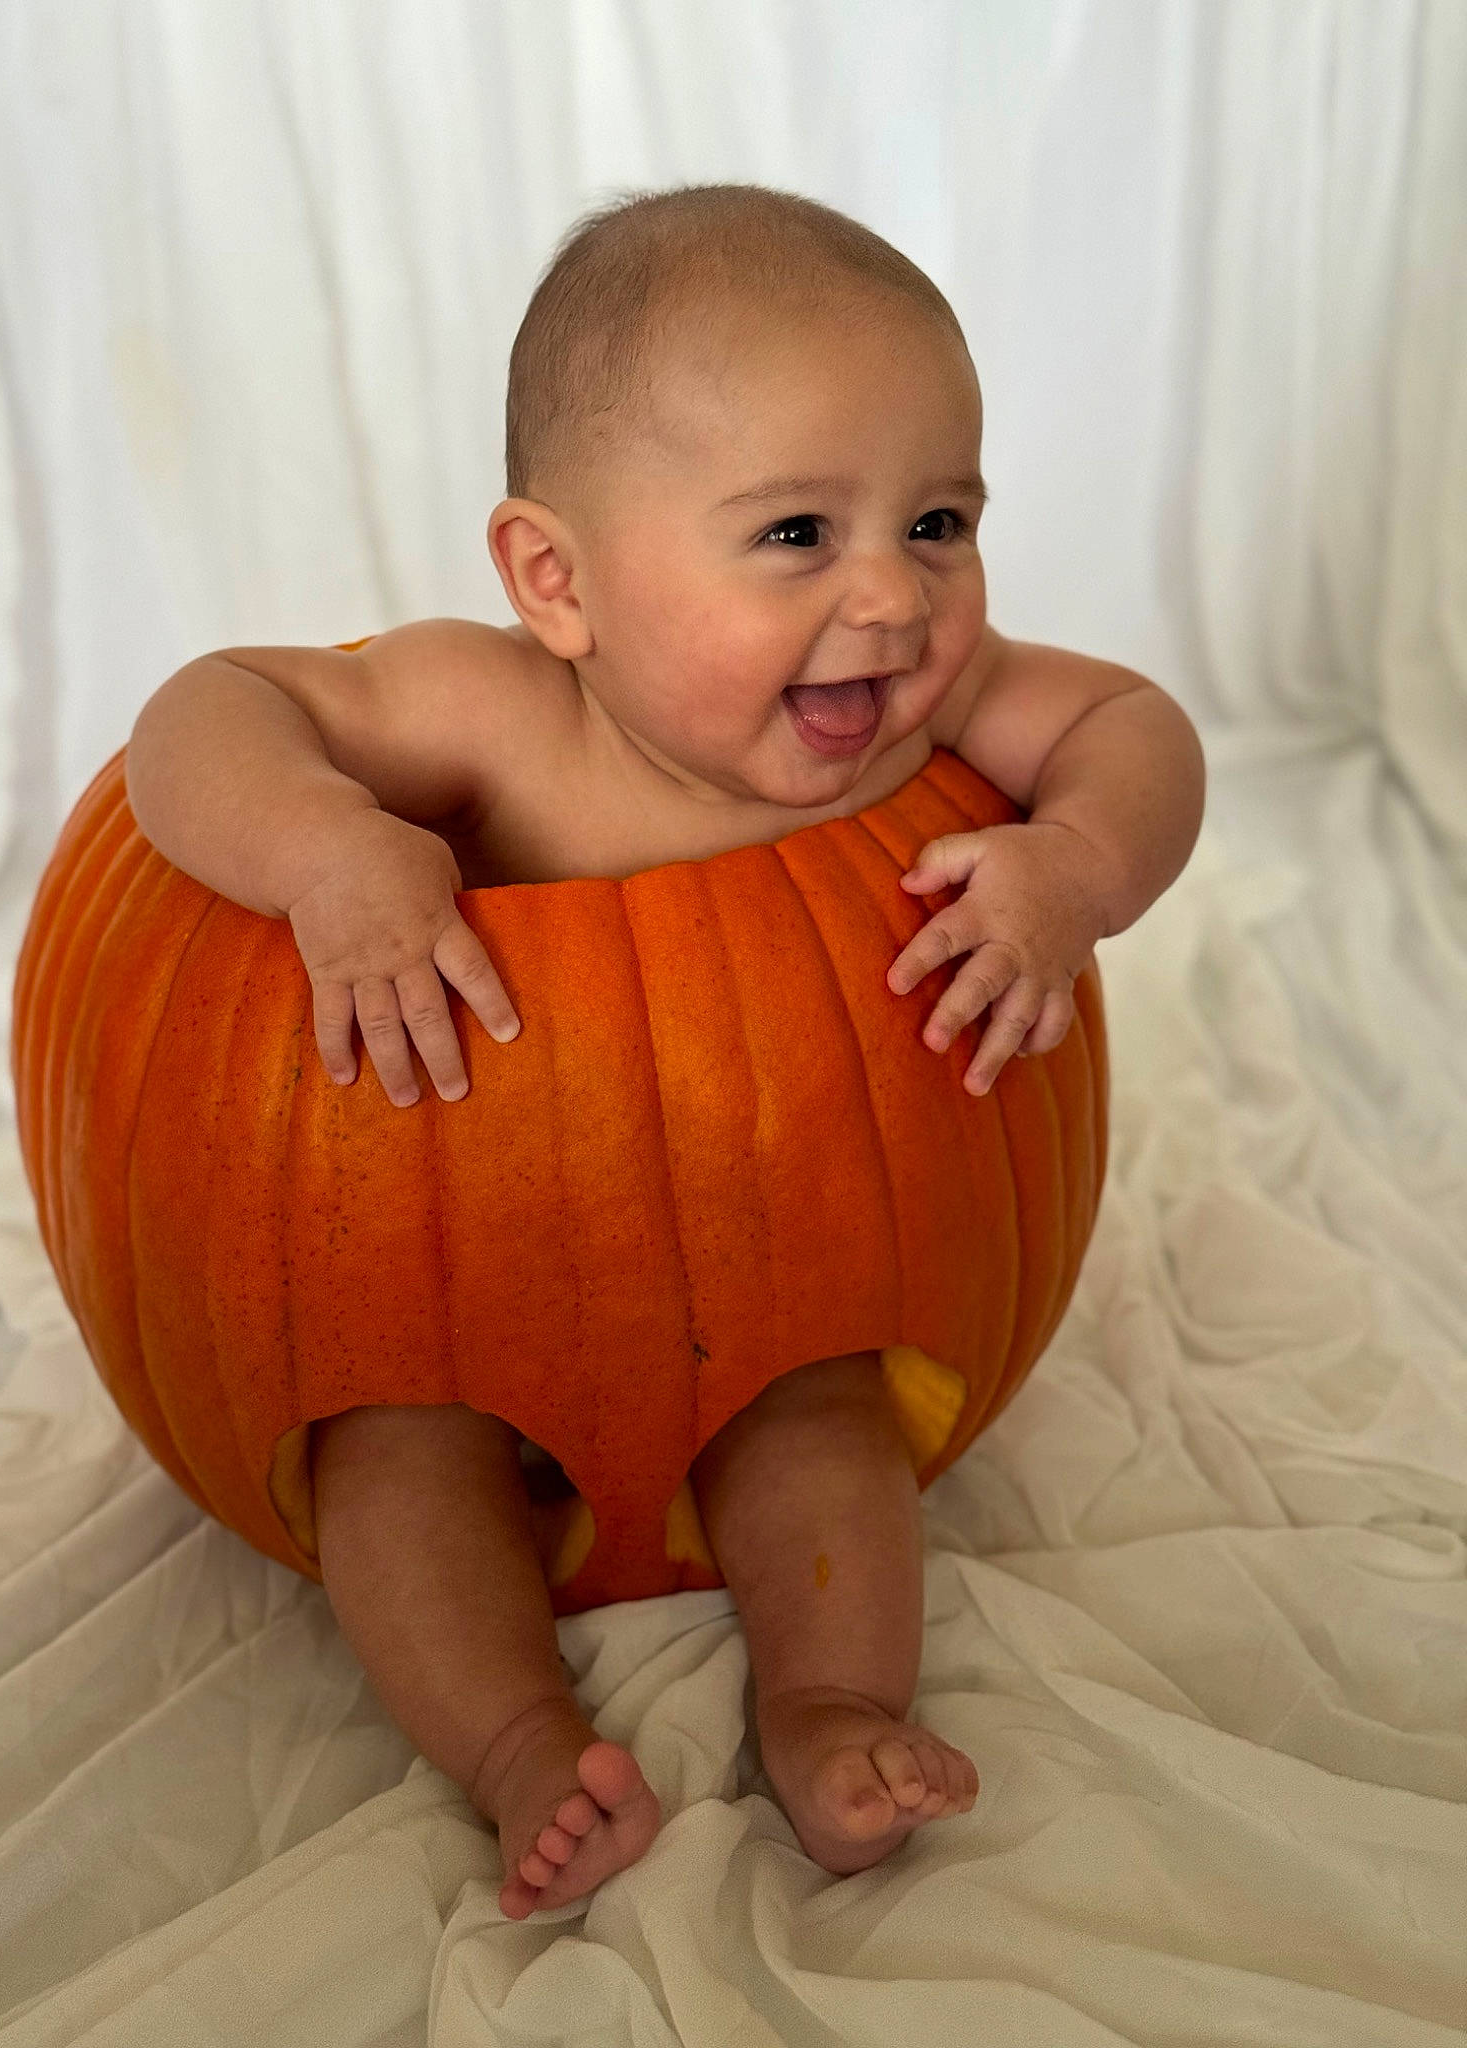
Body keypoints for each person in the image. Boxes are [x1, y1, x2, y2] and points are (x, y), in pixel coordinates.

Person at [123, 182, 1205, 1920]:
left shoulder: (937, 699)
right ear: (557, 580)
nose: (895, 598)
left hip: (778, 1285)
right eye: (797, 535)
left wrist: (1075, 866)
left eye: (939, 519)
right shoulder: (481, 715)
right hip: (427, 1295)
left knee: (824, 1424)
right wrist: (328, 850)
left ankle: (830, 1702)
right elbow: (201, 717)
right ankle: (514, 1750)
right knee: (388, 1470)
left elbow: (1128, 724)